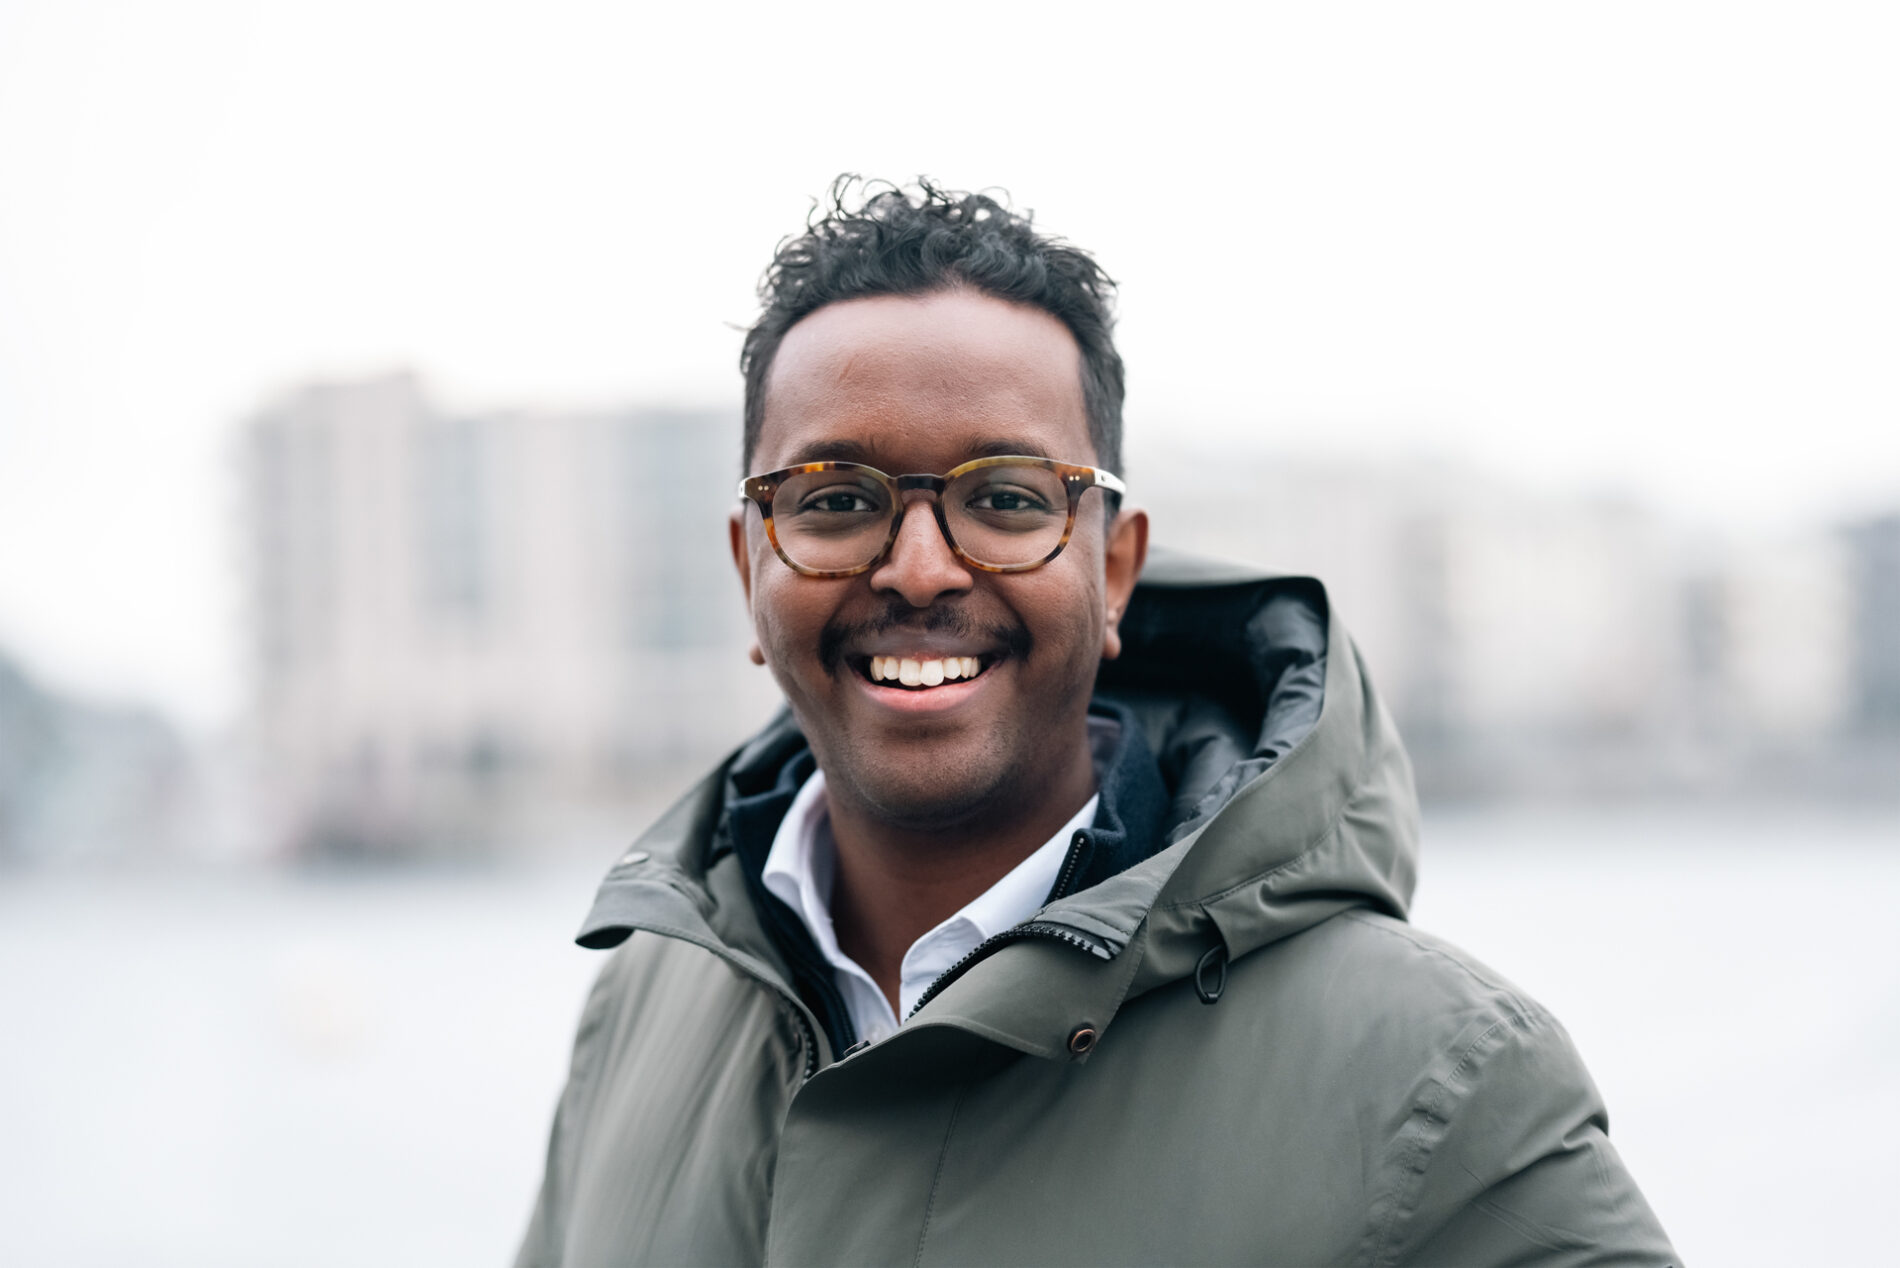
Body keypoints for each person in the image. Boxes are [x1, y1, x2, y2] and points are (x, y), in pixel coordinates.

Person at [516, 178, 1676, 1267]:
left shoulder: (1438, 1077)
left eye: (1007, 498)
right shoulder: (645, 1007)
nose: (918, 570)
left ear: (1114, 567)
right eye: (834, 501)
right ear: (749, 569)